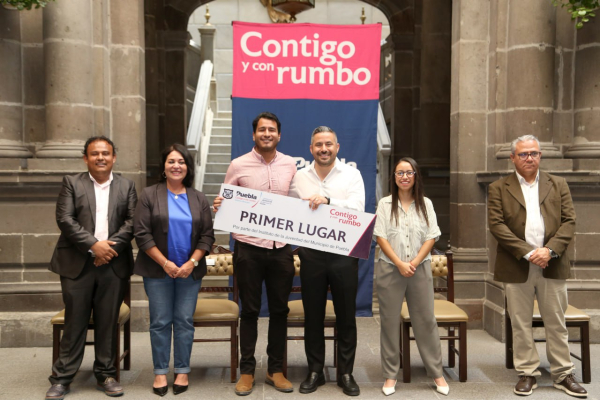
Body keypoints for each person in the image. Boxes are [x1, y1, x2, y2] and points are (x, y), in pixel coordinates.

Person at [488, 135, 587, 398]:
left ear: (540, 155)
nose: (529, 158)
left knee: (556, 321)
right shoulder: (498, 187)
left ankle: (563, 374)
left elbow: (569, 221)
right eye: (523, 154)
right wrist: (529, 252)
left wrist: (549, 251)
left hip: (552, 263)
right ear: (513, 158)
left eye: (534, 153)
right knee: (520, 323)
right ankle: (527, 373)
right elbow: (497, 225)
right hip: (516, 264)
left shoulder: (558, 184)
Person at [45, 136, 137, 400]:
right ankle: (62, 378)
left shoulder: (127, 185)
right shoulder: (72, 183)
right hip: (77, 263)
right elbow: (65, 219)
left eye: (105, 153)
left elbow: (132, 222)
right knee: (75, 320)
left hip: (114, 263)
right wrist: (94, 246)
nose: (100, 158)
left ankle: (106, 374)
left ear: (114, 157)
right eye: (94, 153)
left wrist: (107, 250)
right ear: (86, 158)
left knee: (108, 321)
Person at [213, 112, 297, 396]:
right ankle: (247, 371)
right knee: (249, 311)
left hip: (281, 248)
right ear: (254, 135)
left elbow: (297, 203)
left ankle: (275, 370)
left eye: (272, 130)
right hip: (248, 248)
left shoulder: (290, 165)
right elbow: (226, 203)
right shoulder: (238, 165)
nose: (267, 134)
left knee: (280, 311)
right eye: (262, 129)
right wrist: (220, 205)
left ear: (279, 135)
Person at [288, 126, 365, 397]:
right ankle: (315, 371)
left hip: (344, 253)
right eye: (319, 145)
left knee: (346, 316)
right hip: (311, 254)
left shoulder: (352, 175)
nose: (324, 149)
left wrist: (329, 201)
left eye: (328, 144)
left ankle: (345, 373)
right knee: (313, 315)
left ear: (337, 147)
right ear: (311, 149)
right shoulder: (299, 177)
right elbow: (289, 211)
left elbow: (358, 208)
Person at [134, 144, 215, 397]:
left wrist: (191, 263)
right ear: (164, 166)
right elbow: (142, 234)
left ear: (188, 167)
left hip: (189, 272)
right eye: (171, 161)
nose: (176, 166)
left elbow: (207, 236)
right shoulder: (149, 195)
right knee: (160, 322)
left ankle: (182, 370)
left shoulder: (198, 197)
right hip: (158, 271)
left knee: (184, 322)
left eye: (181, 162)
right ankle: (160, 372)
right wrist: (165, 263)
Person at [373, 157, 449, 396]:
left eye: (409, 172)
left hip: (419, 268)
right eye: (400, 173)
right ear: (394, 177)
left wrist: (413, 263)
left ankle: (436, 373)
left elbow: (432, 236)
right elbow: (380, 236)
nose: (404, 177)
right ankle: (390, 375)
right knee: (389, 322)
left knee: (426, 321)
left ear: (416, 176)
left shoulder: (426, 204)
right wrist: (399, 263)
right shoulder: (385, 204)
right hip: (390, 269)